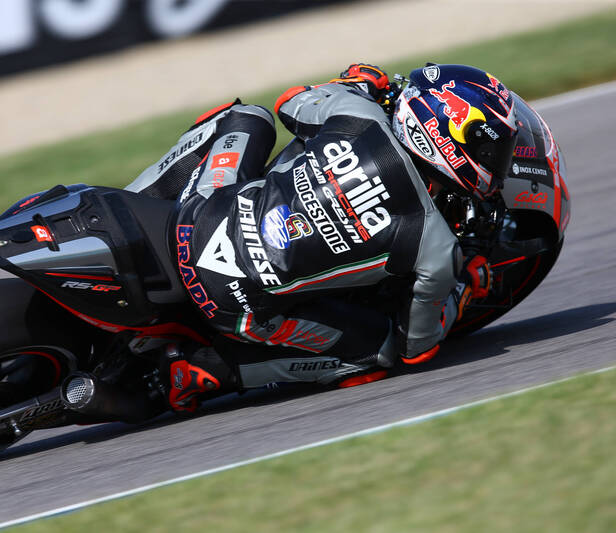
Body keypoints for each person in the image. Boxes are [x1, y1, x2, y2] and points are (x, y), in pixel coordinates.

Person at [126, 63, 515, 412]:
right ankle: (207, 370)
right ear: (449, 138)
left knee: (245, 116)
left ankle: (133, 203)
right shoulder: (437, 246)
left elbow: (289, 103)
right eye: (491, 151)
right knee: (377, 353)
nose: (496, 163)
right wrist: (464, 286)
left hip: (197, 214)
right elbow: (416, 347)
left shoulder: (359, 114)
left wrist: (357, 84)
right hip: (233, 307)